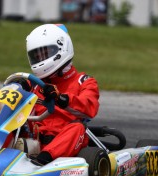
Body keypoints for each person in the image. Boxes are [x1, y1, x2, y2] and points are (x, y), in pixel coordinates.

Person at [15, 24, 100, 165]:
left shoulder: (84, 81)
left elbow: (89, 107)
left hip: (66, 141)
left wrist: (60, 98)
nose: (40, 59)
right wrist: (15, 88)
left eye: (45, 54)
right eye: (37, 56)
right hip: (35, 138)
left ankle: (44, 159)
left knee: (78, 128)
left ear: (62, 49)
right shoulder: (33, 83)